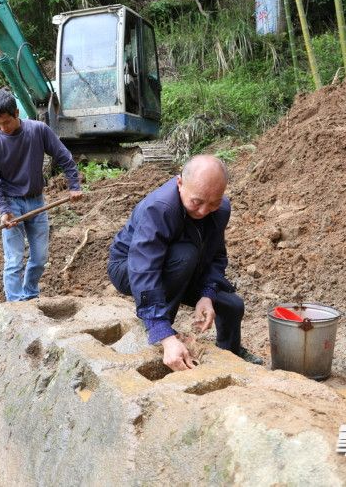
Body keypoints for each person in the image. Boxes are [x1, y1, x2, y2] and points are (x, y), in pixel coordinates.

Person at [107, 154, 263, 371]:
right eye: (197, 202)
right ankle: (161, 331)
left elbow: (216, 255)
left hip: (180, 267)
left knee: (232, 305)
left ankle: (231, 352)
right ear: (179, 183)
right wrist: (163, 333)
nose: (204, 211)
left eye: (213, 203)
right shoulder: (160, 208)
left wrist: (207, 294)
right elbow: (144, 268)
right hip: (129, 268)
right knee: (185, 254)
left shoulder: (221, 210)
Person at [0, 89, 82, 301]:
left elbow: (64, 157)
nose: (2, 128)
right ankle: (15, 304)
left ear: (17, 113)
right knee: (14, 260)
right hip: (11, 204)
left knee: (40, 258)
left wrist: (74, 185)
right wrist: (4, 211)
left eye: (6, 122)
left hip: (37, 202)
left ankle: (30, 295)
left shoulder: (38, 131)